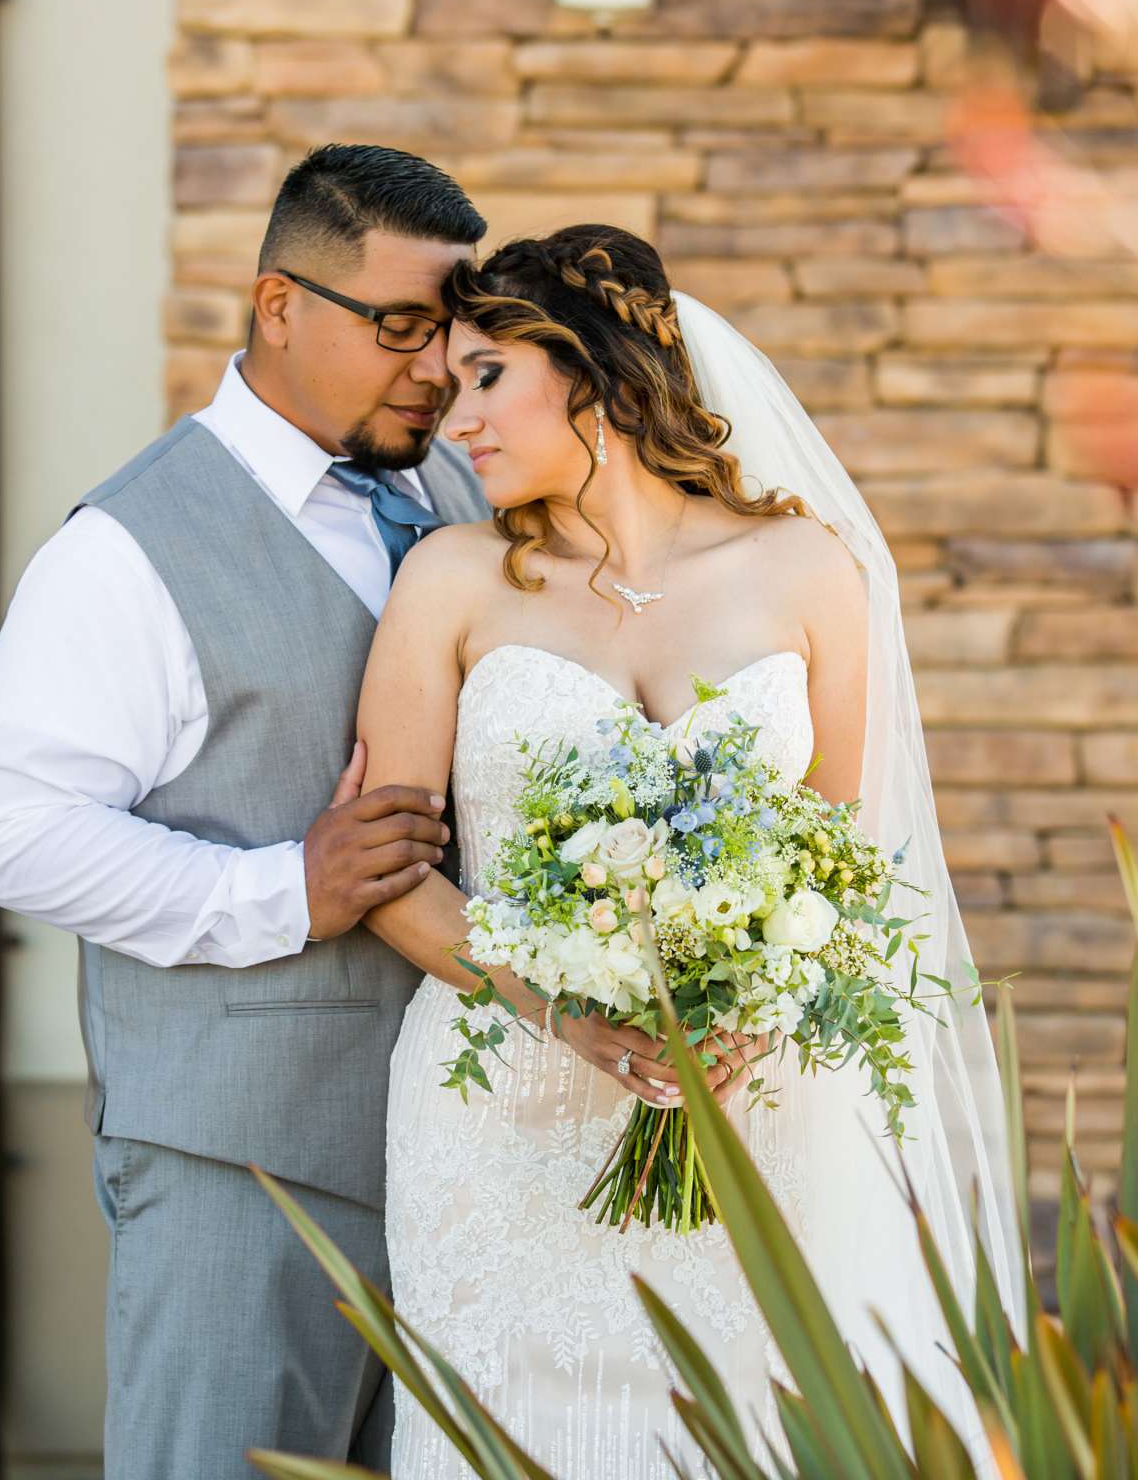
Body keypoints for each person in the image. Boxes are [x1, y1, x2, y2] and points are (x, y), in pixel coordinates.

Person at [353, 225, 1020, 1477]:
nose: (458, 422)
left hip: (756, 1104)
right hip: (501, 1104)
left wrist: (754, 1011)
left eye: (485, 376)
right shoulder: (449, 579)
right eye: (448, 390)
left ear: (592, 373)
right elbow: (390, 871)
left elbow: (849, 863)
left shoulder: (808, 569)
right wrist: (563, 1010)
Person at [0, 144, 493, 1477]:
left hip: (462, 1160)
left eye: (452, 333)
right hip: (235, 1165)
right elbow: (7, 829)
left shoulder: (461, 498)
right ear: (278, 308)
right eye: (401, 329)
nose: (435, 368)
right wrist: (280, 891)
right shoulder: (126, 549)